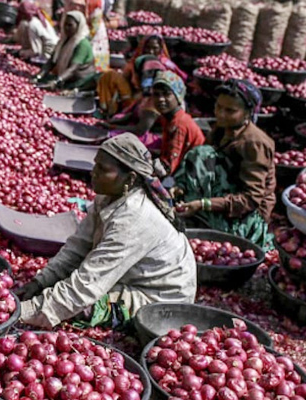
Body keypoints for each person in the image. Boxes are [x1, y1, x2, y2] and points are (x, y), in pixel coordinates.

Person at [16, 134, 196, 329]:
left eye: (103, 169)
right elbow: (77, 248)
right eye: (95, 165)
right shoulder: (108, 197)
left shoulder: (135, 218)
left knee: (82, 308)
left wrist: (25, 312)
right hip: (128, 276)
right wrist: (40, 282)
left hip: (158, 299)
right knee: (66, 290)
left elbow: (89, 282)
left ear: (130, 178)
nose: (93, 172)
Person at [174, 80, 275, 248]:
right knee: (200, 154)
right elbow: (199, 166)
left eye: (230, 110)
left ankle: (215, 224)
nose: (221, 114)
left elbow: (251, 199)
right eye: (218, 107)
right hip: (224, 193)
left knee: (202, 154)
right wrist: (179, 187)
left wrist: (204, 204)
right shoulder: (221, 129)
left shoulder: (254, 143)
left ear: (247, 113)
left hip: (247, 213)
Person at [97, 34, 184, 117]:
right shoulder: (138, 60)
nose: (151, 51)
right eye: (148, 48)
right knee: (110, 76)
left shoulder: (165, 64)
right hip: (135, 94)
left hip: (156, 98)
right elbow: (126, 77)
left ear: (160, 49)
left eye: (155, 48)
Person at [101, 55, 166, 152]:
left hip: (153, 138)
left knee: (110, 138)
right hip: (140, 130)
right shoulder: (145, 94)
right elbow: (132, 115)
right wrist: (112, 122)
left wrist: (113, 127)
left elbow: (141, 130)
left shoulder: (154, 99)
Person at [151, 70, 205, 176]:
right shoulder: (169, 118)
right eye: (156, 95)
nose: (161, 99)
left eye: (166, 94)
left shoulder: (179, 124)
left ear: (178, 96)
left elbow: (169, 167)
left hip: (189, 174)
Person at [33, 11, 95, 90]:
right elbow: (51, 61)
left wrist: (56, 82)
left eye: (70, 25)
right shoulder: (63, 41)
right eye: (65, 24)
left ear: (78, 26)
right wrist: (39, 76)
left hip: (80, 81)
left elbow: (73, 69)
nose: (66, 28)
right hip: (65, 78)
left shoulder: (83, 44)